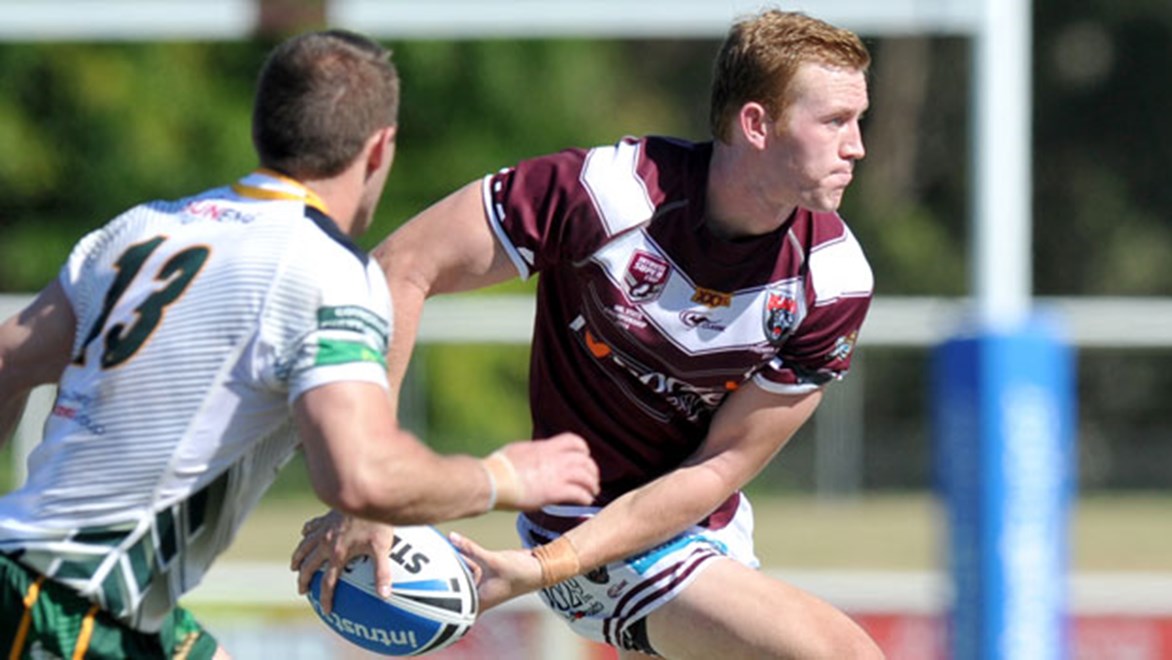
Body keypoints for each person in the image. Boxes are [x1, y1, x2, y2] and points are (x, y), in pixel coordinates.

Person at [296, 8, 885, 659]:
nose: (856, 145)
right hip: (585, 529)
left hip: (692, 530)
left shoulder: (833, 280)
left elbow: (719, 467)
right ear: (756, 124)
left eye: (857, 120)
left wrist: (545, 567)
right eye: (835, 121)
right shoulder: (603, 194)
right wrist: (368, 482)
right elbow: (399, 268)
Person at [0, 30, 599, 660]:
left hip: (52, 582)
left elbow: (8, 359)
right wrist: (500, 477)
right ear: (380, 149)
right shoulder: (322, 269)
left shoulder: (142, 230)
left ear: (264, 127)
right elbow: (362, 478)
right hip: (71, 605)